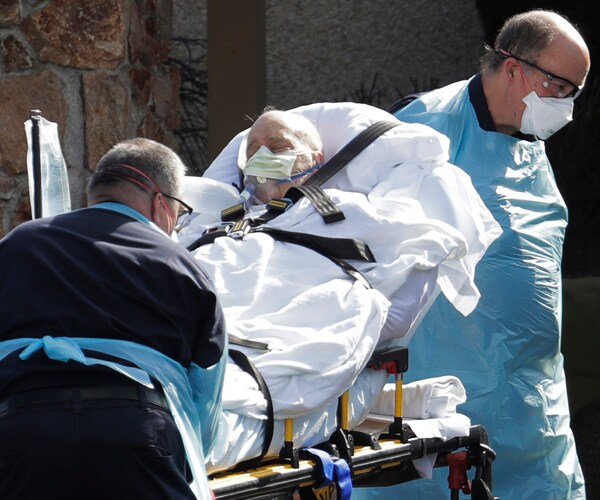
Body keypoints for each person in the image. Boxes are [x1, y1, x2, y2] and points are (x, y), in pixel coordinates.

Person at [366, 9, 590, 499]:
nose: (567, 104)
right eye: (559, 86)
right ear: (514, 69)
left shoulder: (529, 142)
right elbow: (371, 249)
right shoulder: (426, 127)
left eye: (575, 91)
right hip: (442, 390)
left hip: (532, 398)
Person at [0, 138, 227, 500]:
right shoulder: (178, 263)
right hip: (136, 433)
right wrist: (193, 466)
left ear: (95, 195)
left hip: (24, 432)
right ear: (160, 204)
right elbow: (205, 391)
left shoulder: (17, 244)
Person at [238, 108, 324, 204]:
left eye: (277, 147)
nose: (262, 156)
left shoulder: (338, 207)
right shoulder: (225, 214)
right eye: (253, 153)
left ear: (315, 160)